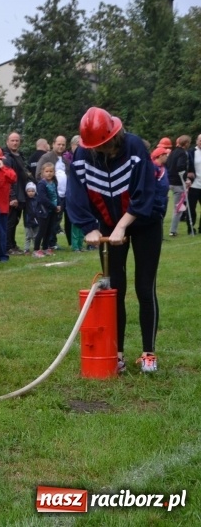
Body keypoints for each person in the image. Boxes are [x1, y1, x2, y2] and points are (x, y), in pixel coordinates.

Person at [66, 106, 165, 374]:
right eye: (96, 147)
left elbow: (144, 193)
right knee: (114, 291)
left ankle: (148, 354)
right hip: (108, 224)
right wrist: (89, 227)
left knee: (145, 288)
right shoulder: (82, 155)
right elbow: (75, 195)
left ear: (115, 135)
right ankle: (116, 354)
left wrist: (123, 226)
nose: (101, 150)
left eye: (106, 145)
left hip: (144, 222)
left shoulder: (134, 147)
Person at [3, 132, 30, 255]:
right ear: (7, 142)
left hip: (21, 193)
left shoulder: (20, 155)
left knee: (15, 221)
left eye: (17, 140)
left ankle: (12, 244)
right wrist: (11, 196)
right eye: (12, 140)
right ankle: (7, 246)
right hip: (12, 195)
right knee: (10, 221)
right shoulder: (6, 157)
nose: (15, 143)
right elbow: (6, 178)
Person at [32, 162, 59, 258]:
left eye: (51, 171)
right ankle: (36, 249)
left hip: (52, 210)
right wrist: (53, 206)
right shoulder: (41, 184)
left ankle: (45, 247)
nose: (49, 173)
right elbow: (42, 199)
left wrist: (58, 205)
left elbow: (56, 195)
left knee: (49, 230)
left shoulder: (54, 182)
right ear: (42, 172)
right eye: (47, 171)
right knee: (42, 230)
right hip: (43, 211)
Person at [166, 135, 191, 237]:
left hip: (169, 181)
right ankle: (173, 231)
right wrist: (186, 178)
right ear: (186, 144)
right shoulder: (182, 154)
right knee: (179, 207)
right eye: (189, 143)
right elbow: (180, 166)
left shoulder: (173, 152)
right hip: (178, 183)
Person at [186, 134, 201, 234]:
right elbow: (185, 165)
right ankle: (191, 228)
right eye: (200, 140)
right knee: (191, 208)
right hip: (194, 185)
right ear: (197, 141)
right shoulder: (191, 152)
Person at [22, 182, 39, 254]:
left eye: (32, 191)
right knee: (28, 236)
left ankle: (36, 248)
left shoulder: (38, 200)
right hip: (28, 221)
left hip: (36, 221)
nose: (31, 193)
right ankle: (26, 249)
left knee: (36, 236)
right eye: (29, 191)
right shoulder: (25, 201)